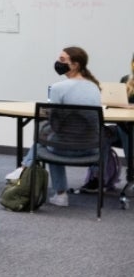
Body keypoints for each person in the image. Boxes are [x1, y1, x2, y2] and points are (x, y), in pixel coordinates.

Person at [14, 46, 102, 206]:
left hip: (63, 148)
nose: (57, 63)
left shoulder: (58, 88)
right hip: (91, 149)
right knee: (51, 137)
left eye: (62, 60)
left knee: (46, 138)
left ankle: (57, 191)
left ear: (75, 65)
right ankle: (23, 168)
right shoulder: (94, 87)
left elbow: (54, 122)